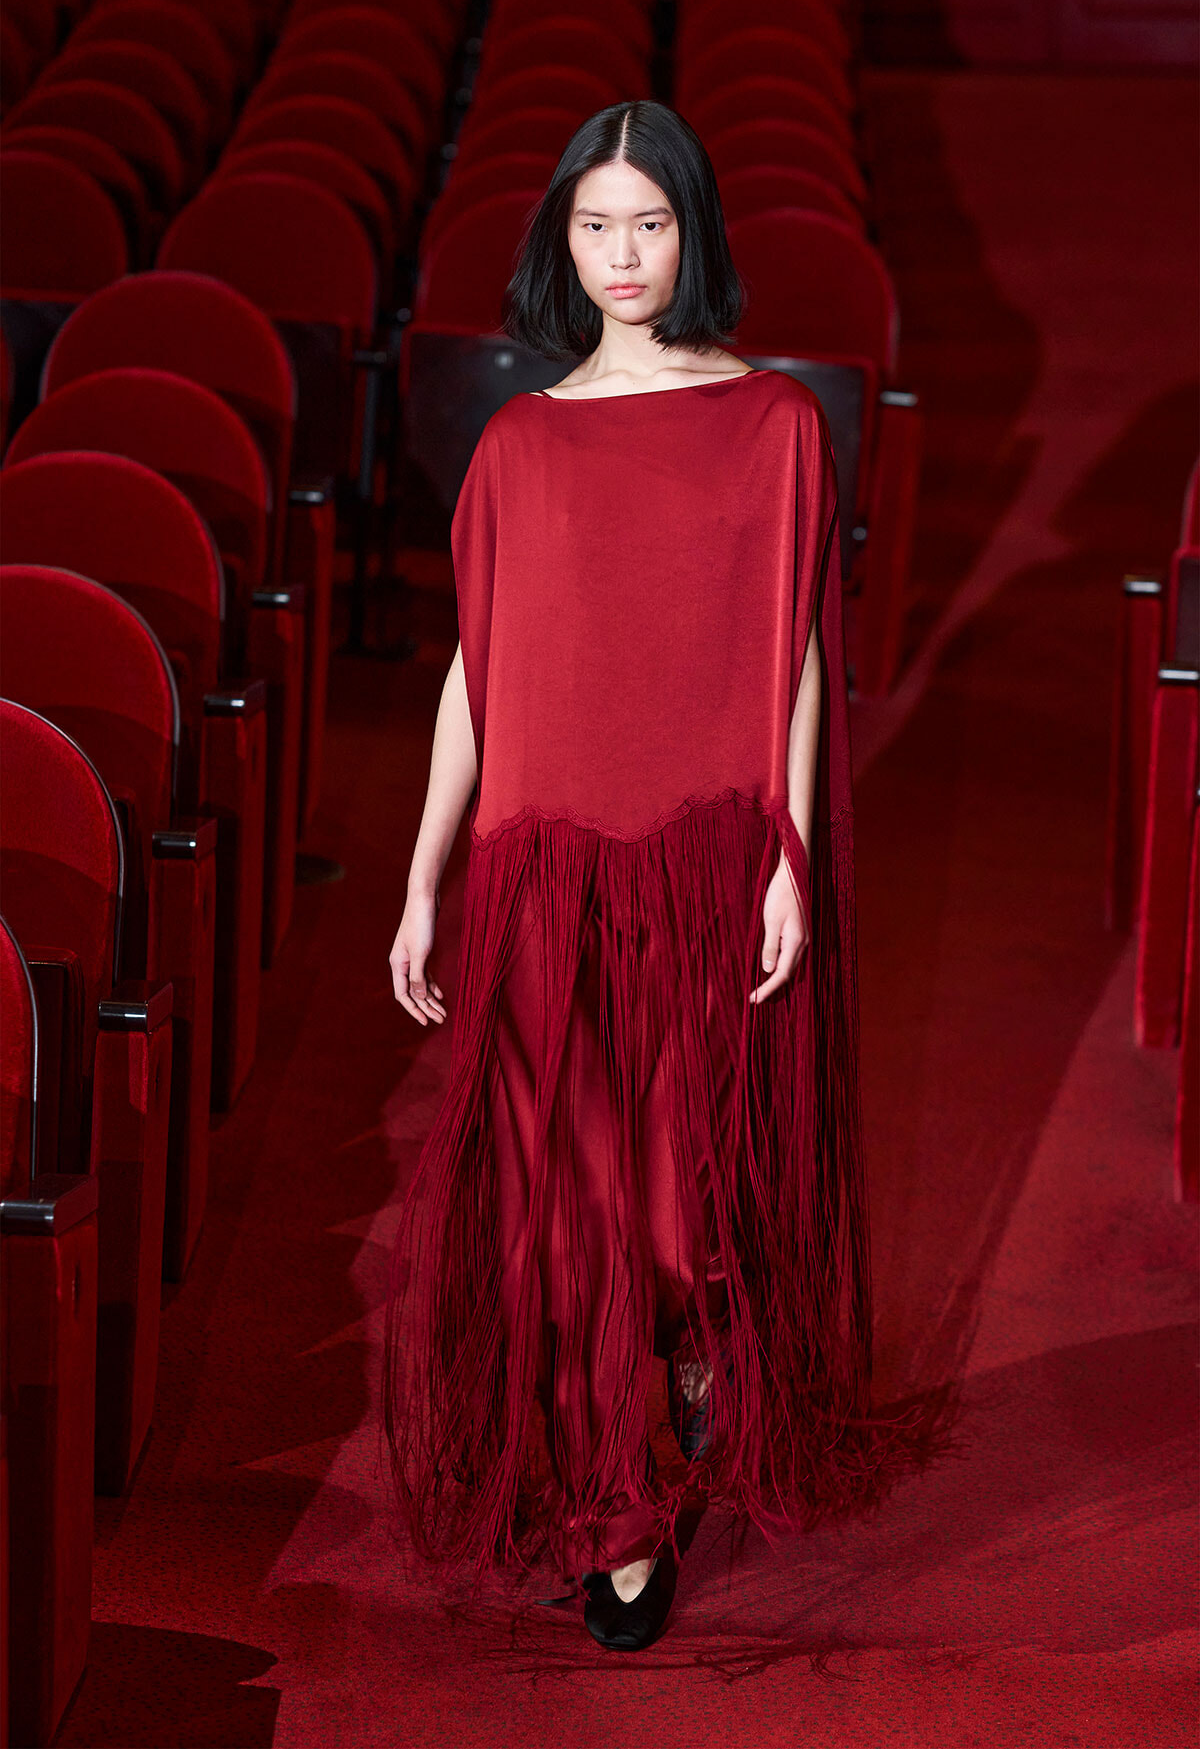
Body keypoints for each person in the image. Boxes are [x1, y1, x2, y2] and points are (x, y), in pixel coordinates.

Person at [384, 100, 919, 1653]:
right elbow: (477, 668)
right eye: (595, 225)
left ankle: (681, 1373)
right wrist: (423, 874)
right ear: (561, 242)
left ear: (694, 236)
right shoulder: (520, 439)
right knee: (564, 1219)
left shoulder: (774, 425)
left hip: (700, 866)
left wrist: (791, 852)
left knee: (683, 1219)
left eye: (651, 223)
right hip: (541, 871)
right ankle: (613, 1519)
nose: (623, 255)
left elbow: (794, 655)